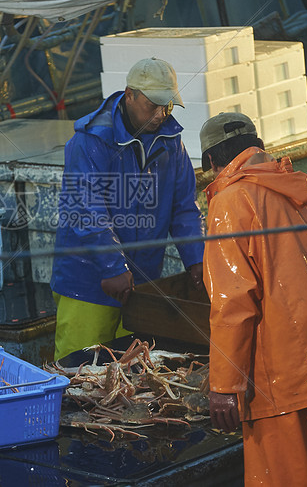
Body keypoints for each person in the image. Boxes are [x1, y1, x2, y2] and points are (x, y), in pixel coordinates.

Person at [200, 112, 307, 486]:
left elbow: (233, 304)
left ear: (211, 162)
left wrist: (225, 385)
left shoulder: (229, 203)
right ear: (257, 146)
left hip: (280, 384)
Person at [50, 57, 205, 361]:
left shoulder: (172, 144)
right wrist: (112, 267)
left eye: (168, 106)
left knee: (133, 377)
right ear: (130, 95)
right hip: (89, 283)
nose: (161, 114)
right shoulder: (89, 142)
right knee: (79, 374)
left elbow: (184, 208)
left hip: (141, 286)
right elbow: (87, 209)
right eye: (153, 105)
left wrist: (196, 259)